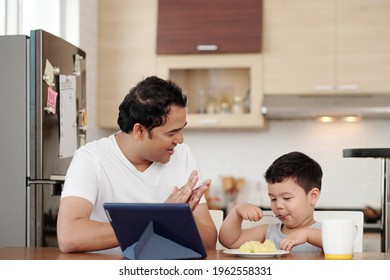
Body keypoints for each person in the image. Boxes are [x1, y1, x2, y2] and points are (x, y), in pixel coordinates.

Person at [57, 76, 217, 253]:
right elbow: (69, 236)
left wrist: (182, 217)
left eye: (181, 129)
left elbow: (209, 242)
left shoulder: (183, 156)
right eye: (172, 133)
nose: (180, 139)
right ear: (139, 130)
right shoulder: (91, 158)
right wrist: (160, 219)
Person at [219, 151, 323, 252]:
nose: (278, 205)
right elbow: (230, 242)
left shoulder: (323, 232)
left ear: (312, 196)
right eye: (273, 199)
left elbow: (338, 244)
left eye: (287, 198)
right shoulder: (268, 232)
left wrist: (308, 234)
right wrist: (236, 212)